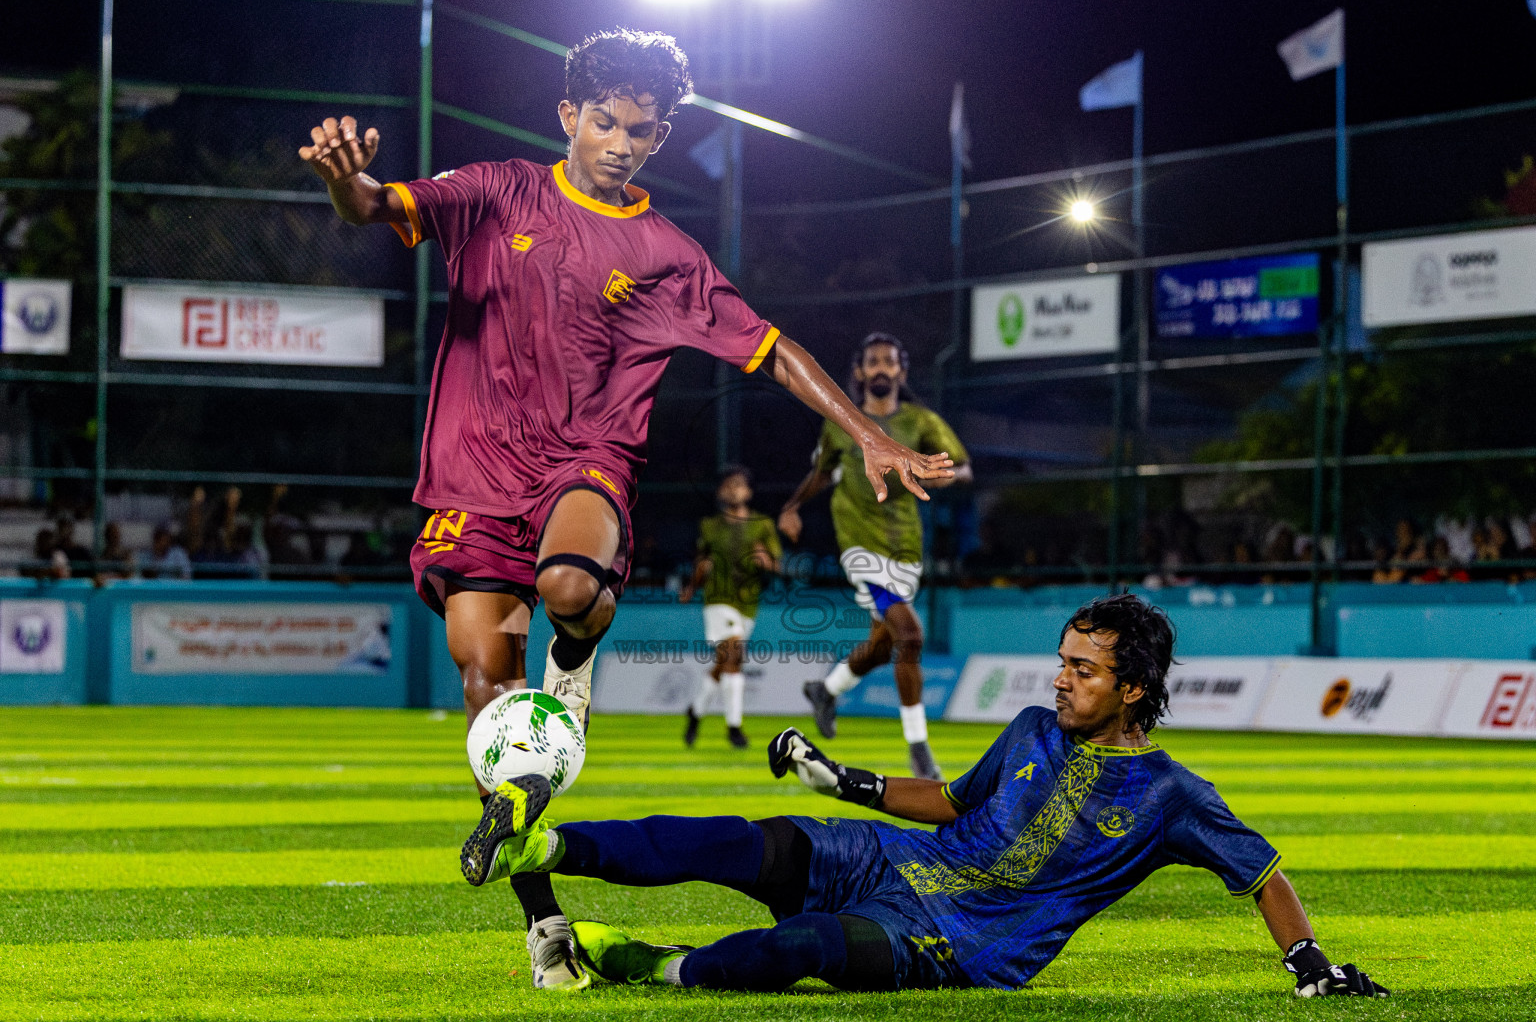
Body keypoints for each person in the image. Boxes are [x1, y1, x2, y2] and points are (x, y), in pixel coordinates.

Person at [299, 28, 953, 992]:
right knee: (485, 683)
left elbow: (772, 349)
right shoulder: (495, 192)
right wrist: (340, 178)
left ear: (658, 139)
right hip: (472, 474)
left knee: (568, 585)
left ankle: (576, 654)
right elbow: (374, 206)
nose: (617, 140)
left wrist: (866, 432)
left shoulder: (666, 254)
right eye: (602, 120)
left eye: (639, 130)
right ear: (569, 116)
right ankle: (545, 924)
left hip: (585, 464)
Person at [462, 594, 1389, 998]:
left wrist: (1308, 960)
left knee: (808, 948)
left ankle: (655, 967)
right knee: (743, 842)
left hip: (969, 941)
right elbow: (949, 800)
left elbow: (1262, 871)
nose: (1060, 680)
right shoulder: (1031, 726)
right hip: (901, 859)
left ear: (1134, 688)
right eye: (1061, 662)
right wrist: (846, 782)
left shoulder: (1173, 794)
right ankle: (544, 849)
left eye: (1082, 670)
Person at [778, 333, 972, 781]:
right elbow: (821, 473)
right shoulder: (841, 422)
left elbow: (962, 467)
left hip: (905, 547)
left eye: (890, 361)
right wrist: (791, 506)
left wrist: (941, 475)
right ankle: (920, 750)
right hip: (859, 547)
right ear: (861, 371)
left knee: (884, 645)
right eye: (873, 362)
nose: (881, 368)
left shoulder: (922, 421)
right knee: (911, 634)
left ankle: (826, 690)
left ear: (901, 372)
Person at [678, 465, 781, 749]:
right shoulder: (710, 526)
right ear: (721, 492)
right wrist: (690, 588)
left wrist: (766, 561)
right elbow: (701, 562)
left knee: (724, 664)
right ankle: (734, 727)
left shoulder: (762, 524)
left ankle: (696, 713)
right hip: (717, 599)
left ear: (748, 491)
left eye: (738, 484)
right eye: (727, 485)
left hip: (748, 602)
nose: (733, 489)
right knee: (735, 654)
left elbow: (776, 564)